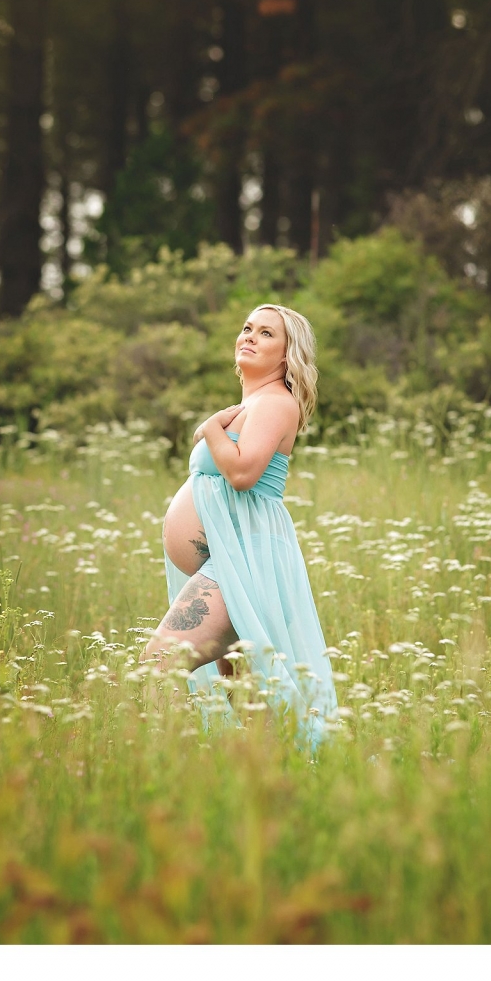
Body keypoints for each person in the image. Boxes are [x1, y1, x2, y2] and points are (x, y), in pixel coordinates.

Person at [144, 303, 338, 745]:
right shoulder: (253, 404)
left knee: (159, 665)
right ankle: (270, 770)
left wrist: (210, 428)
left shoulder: (275, 403)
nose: (250, 336)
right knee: (249, 696)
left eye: (267, 333)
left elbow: (243, 473)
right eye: (248, 328)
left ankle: (179, 759)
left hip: (245, 563)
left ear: (288, 355)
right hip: (230, 561)